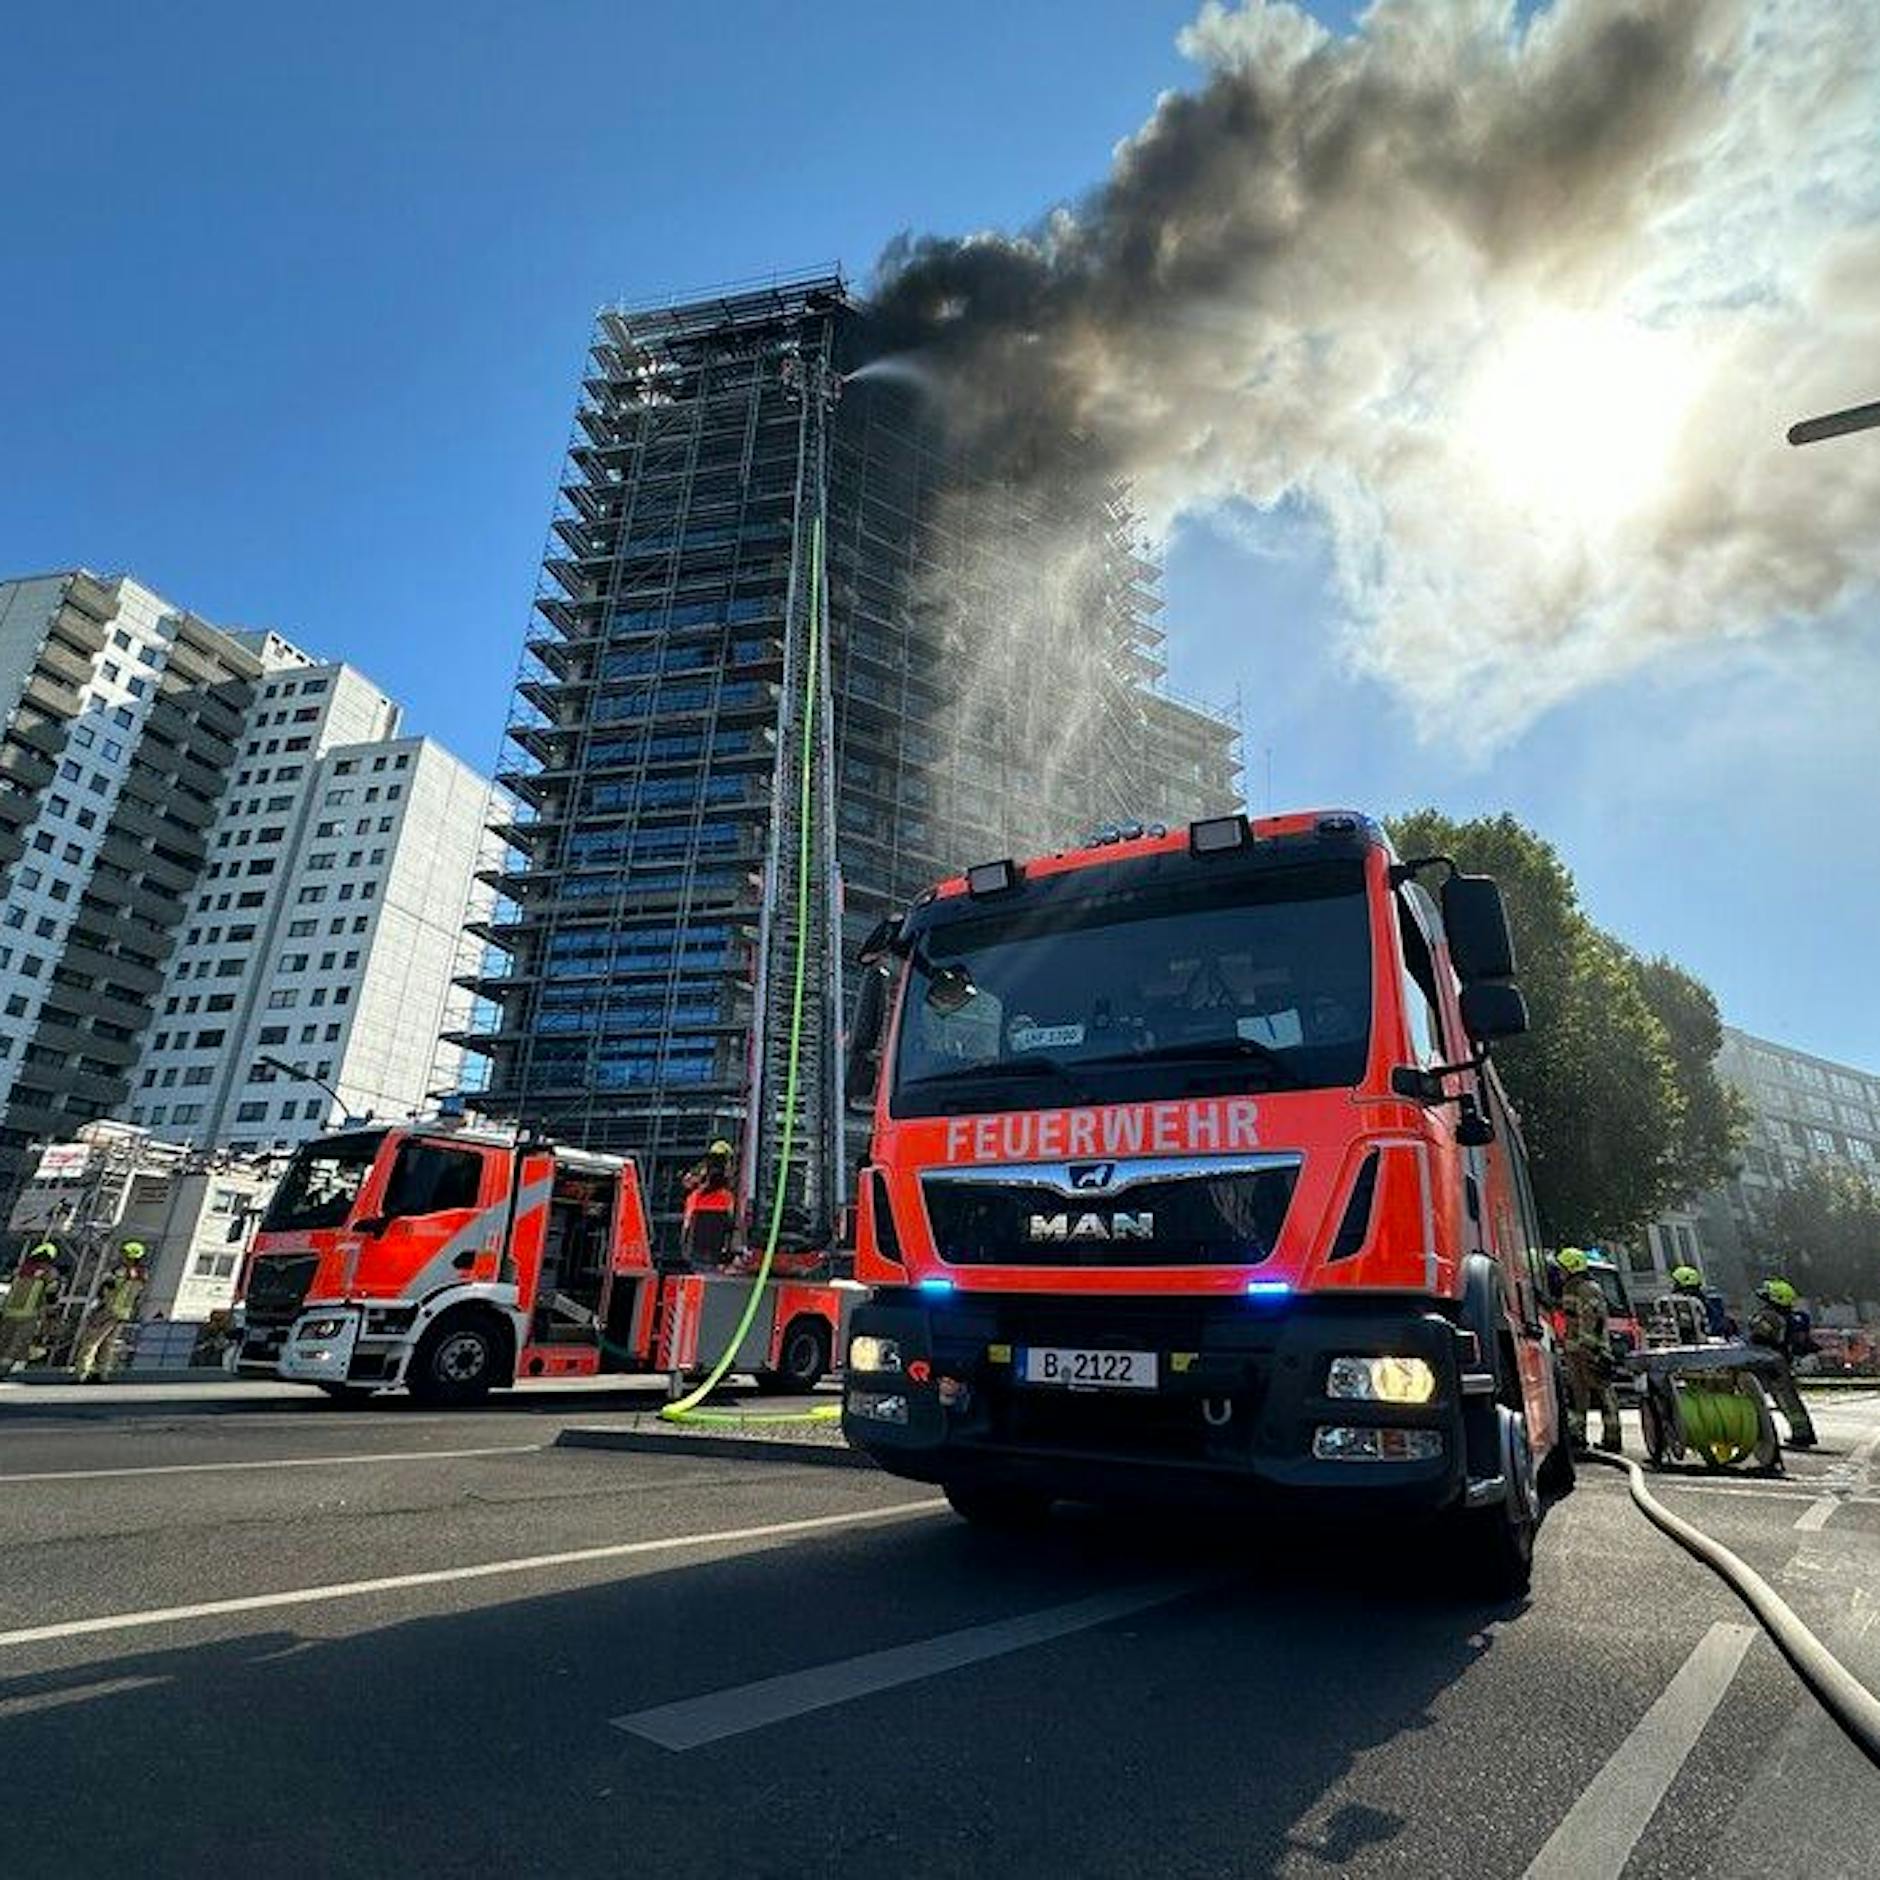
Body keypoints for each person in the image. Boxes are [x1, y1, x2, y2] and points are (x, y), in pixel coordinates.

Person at [1559, 1246, 1623, 1453]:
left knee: (1604, 1393)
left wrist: (1593, 1350)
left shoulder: (1587, 1288)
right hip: (1576, 1351)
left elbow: (1592, 1322)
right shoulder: (1571, 1287)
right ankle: (1578, 1436)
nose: (1560, 1272)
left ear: (1571, 1267)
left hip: (1592, 1351)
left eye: (1562, 1267)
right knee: (1578, 1394)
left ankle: (1612, 1439)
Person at [1747, 1276, 1818, 1449]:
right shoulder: (1794, 1318)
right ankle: (1803, 1433)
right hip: (1782, 1361)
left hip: (1768, 1361)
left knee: (1753, 1396)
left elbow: (1758, 1337)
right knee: (1789, 1398)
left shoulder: (1769, 1316)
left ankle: (1758, 1434)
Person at [72, 1240, 150, 1383]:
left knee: (91, 1341)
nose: (121, 1257)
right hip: (124, 1313)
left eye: (124, 1254)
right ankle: (102, 1373)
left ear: (129, 1256)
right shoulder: (142, 1275)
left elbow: (106, 1288)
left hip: (108, 1310)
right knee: (108, 1344)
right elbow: (138, 1296)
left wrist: (97, 1304)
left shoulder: (120, 1271)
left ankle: (82, 1373)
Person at [0, 1240, 62, 1374]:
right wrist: (52, 1311)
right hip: (28, 1313)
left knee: (4, 1340)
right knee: (20, 1343)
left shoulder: (20, 1269)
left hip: (8, 1311)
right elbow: (51, 1292)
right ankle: (9, 1370)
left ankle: (6, 1365)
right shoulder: (48, 1272)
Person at [680, 1139, 737, 1268]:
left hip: (701, 1208)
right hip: (715, 1209)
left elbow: (687, 1182)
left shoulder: (703, 1168)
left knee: (696, 1249)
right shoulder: (723, 1172)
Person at [1658, 1265, 1715, 1347]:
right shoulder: (1702, 1300)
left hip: (1688, 1339)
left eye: (1675, 1282)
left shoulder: (1678, 1301)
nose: (1672, 1284)